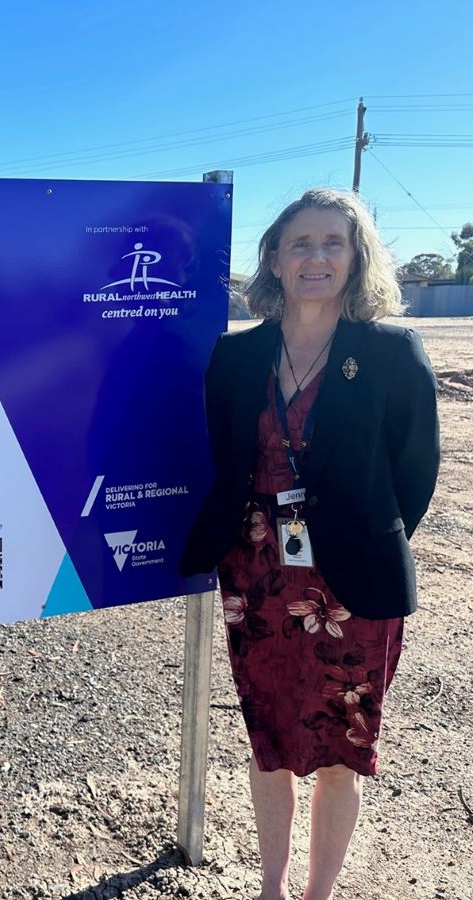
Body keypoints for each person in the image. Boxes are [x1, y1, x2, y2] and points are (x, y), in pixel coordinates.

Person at [179, 188, 441, 900]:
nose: (316, 257)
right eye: (300, 243)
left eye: (333, 242)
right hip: (257, 579)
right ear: (273, 257)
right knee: (267, 744)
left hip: (353, 587)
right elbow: (223, 457)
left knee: (340, 754)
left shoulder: (390, 351)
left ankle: (317, 894)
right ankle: (272, 887)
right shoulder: (236, 358)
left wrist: (361, 539)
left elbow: (415, 471)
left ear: (356, 257)